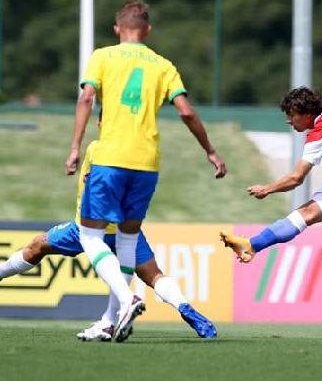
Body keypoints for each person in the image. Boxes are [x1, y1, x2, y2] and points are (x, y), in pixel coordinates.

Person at [64, 0, 226, 341]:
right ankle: (112, 319)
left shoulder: (102, 56)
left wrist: (76, 147)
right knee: (127, 237)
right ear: (148, 30)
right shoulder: (163, 65)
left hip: (110, 158)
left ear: (116, 29)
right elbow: (186, 111)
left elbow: (86, 98)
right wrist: (210, 151)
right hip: (147, 165)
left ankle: (126, 298)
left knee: (90, 235)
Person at [0, 140, 217, 342]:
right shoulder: (142, 152)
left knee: (38, 245)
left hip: (88, 227)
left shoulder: (98, 147)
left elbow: (94, 180)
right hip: (128, 229)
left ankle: (117, 312)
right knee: (154, 275)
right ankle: (185, 309)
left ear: (104, 122)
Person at [220, 87, 322, 338]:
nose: (289, 120)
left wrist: (267, 189)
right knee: (306, 212)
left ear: (307, 113)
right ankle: (252, 245)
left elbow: (296, 178)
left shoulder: (320, 134)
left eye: (292, 115)